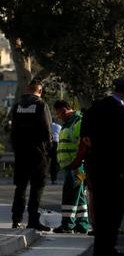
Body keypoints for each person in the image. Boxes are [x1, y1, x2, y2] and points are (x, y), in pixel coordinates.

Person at [81, 76, 124, 256]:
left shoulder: (96, 107)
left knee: (100, 210)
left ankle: (101, 248)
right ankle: (108, 248)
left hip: (96, 169)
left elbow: (85, 132)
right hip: (116, 172)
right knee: (114, 211)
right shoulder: (120, 114)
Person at [9, 78, 52, 231]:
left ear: (27, 90)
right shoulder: (41, 105)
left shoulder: (17, 106)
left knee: (20, 187)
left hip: (21, 154)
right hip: (38, 154)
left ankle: (16, 219)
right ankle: (33, 221)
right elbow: (47, 130)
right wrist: (49, 149)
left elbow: (12, 131)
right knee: (36, 187)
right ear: (40, 91)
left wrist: (16, 148)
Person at [52, 100, 89, 234]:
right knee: (79, 196)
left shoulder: (78, 121)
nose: (58, 117)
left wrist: (77, 163)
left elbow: (83, 144)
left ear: (65, 110)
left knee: (70, 194)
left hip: (78, 167)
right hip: (72, 166)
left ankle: (67, 225)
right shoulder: (68, 123)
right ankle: (82, 224)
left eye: (58, 114)